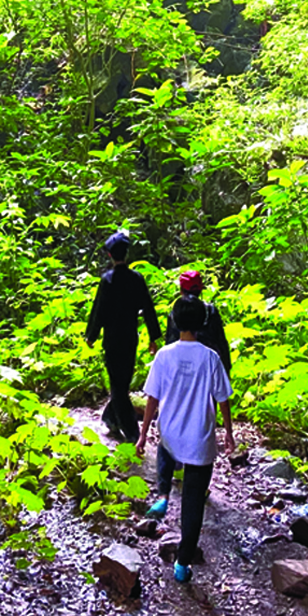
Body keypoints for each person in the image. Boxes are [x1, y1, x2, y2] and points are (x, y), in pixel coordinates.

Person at [137, 294, 234, 578]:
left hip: (170, 433)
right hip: (200, 440)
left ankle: (163, 495)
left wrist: (142, 435)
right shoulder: (211, 358)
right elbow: (223, 400)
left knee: (164, 445)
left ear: (175, 321)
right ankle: (182, 563)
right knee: (193, 502)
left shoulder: (163, 355)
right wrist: (227, 433)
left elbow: (151, 399)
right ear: (202, 322)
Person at [86, 229, 161, 440]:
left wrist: (91, 335)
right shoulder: (136, 279)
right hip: (130, 339)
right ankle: (121, 425)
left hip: (112, 340)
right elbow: (148, 308)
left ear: (110, 255)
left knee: (118, 385)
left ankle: (124, 426)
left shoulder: (107, 280)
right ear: (126, 254)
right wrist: (153, 337)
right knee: (121, 384)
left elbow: (98, 310)